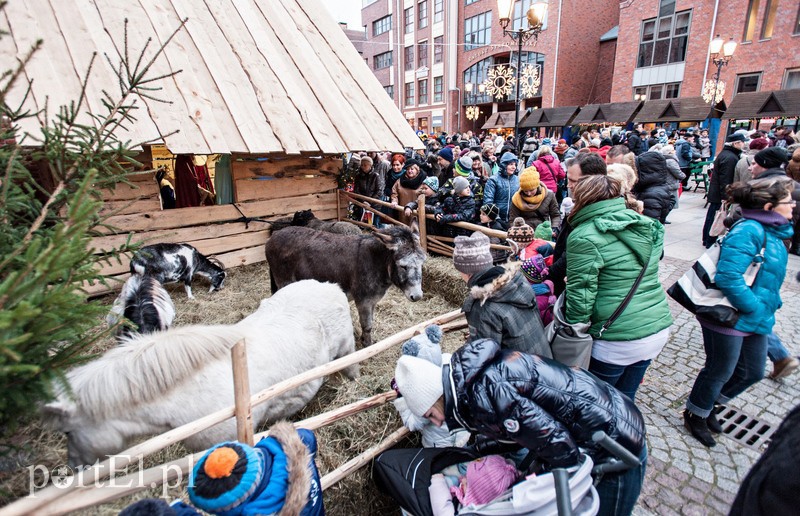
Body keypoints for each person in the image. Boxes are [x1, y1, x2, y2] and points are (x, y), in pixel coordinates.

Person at [394, 339, 648, 516]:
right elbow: (520, 432)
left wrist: (533, 498)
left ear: (437, 397)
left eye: (431, 414)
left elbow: (559, 447)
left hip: (616, 443)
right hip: (602, 420)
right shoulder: (471, 384)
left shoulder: (488, 396)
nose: (437, 423)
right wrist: (479, 448)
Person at [684, 177, 795, 448]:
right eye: (788, 201)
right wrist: (754, 306)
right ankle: (696, 413)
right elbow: (729, 276)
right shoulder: (749, 231)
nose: (793, 205)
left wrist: (768, 304)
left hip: (756, 313)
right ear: (769, 206)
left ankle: (708, 405)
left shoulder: (778, 233)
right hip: (730, 313)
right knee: (720, 368)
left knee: (753, 371)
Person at [566, 175, 673, 401]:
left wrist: (574, 334)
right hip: (655, 325)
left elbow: (582, 294)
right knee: (625, 401)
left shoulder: (585, 236)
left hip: (615, 337)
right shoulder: (646, 225)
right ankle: (624, 435)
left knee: (595, 402)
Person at [452, 231, 550, 356]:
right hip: (543, 362)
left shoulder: (483, 305)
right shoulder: (518, 281)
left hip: (520, 371)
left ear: (465, 270)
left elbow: (482, 357)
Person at [548, 152, 607, 296]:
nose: (569, 185)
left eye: (574, 181)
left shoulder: (593, 214)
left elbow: (571, 256)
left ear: (592, 182)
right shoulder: (582, 207)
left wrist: (547, 274)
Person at [702, 133, 747, 248]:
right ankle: (709, 239)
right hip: (719, 194)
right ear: (736, 143)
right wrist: (726, 196)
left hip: (717, 192)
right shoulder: (730, 157)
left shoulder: (728, 154)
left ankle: (707, 238)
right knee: (716, 216)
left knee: (713, 215)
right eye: (742, 142)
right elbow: (725, 179)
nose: (744, 144)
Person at [508, 167, 561, 233]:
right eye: (525, 191)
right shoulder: (516, 198)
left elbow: (555, 215)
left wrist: (554, 228)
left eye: (531, 190)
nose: (529, 194)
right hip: (524, 233)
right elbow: (513, 220)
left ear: (537, 186)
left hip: (543, 232)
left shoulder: (549, 195)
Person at [482, 152, 520, 225]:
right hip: (497, 220)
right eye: (511, 164)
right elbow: (488, 201)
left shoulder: (517, 180)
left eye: (515, 164)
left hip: (513, 219)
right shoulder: (493, 180)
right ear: (504, 165)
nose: (514, 167)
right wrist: (496, 218)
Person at [391, 159, 427, 225]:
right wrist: (394, 201)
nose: (409, 171)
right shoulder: (400, 180)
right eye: (407, 169)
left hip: (416, 213)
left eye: (412, 169)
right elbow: (394, 192)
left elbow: (426, 195)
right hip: (402, 212)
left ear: (417, 169)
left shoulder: (424, 181)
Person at [352, 155, 382, 223]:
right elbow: (356, 190)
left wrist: (369, 201)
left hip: (373, 205)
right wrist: (363, 201)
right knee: (361, 223)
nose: (363, 167)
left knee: (373, 224)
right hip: (361, 204)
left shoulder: (376, 176)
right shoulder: (358, 176)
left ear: (370, 166)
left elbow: (379, 191)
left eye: (365, 165)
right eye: (362, 165)